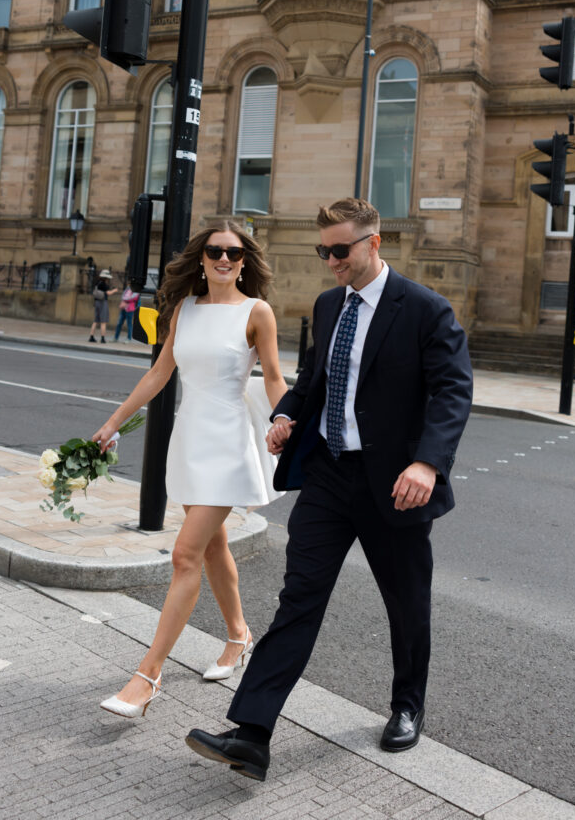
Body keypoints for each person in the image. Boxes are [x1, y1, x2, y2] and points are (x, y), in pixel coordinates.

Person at [186, 197, 473, 781]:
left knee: (406, 602)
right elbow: (315, 377)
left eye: (340, 250)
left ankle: (407, 706)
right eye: (324, 251)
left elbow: (453, 391)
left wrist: (427, 464)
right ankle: (252, 734)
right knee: (298, 600)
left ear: (374, 243)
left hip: (396, 485)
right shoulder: (327, 305)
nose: (331, 261)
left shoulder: (425, 309)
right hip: (329, 476)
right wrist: (286, 414)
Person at [92, 222, 287, 718]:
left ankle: (148, 675)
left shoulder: (256, 312)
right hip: (190, 438)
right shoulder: (183, 310)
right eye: (215, 251)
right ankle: (240, 635)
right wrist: (113, 422)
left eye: (234, 253)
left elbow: (274, 380)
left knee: (185, 554)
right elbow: (160, 373)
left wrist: (292, 424)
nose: (224, 259)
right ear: (201, 258)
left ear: (245, 261)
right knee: (213, 545)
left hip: (229, 443)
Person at [89, 269, 118, 344]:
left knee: (95, 321)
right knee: (103, 321)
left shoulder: (97, 283)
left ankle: (91, 336)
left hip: (96, 302)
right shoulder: (104, 284)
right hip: (102, 302)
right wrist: (114, 290)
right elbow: (108, 293)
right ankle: (102, 338)